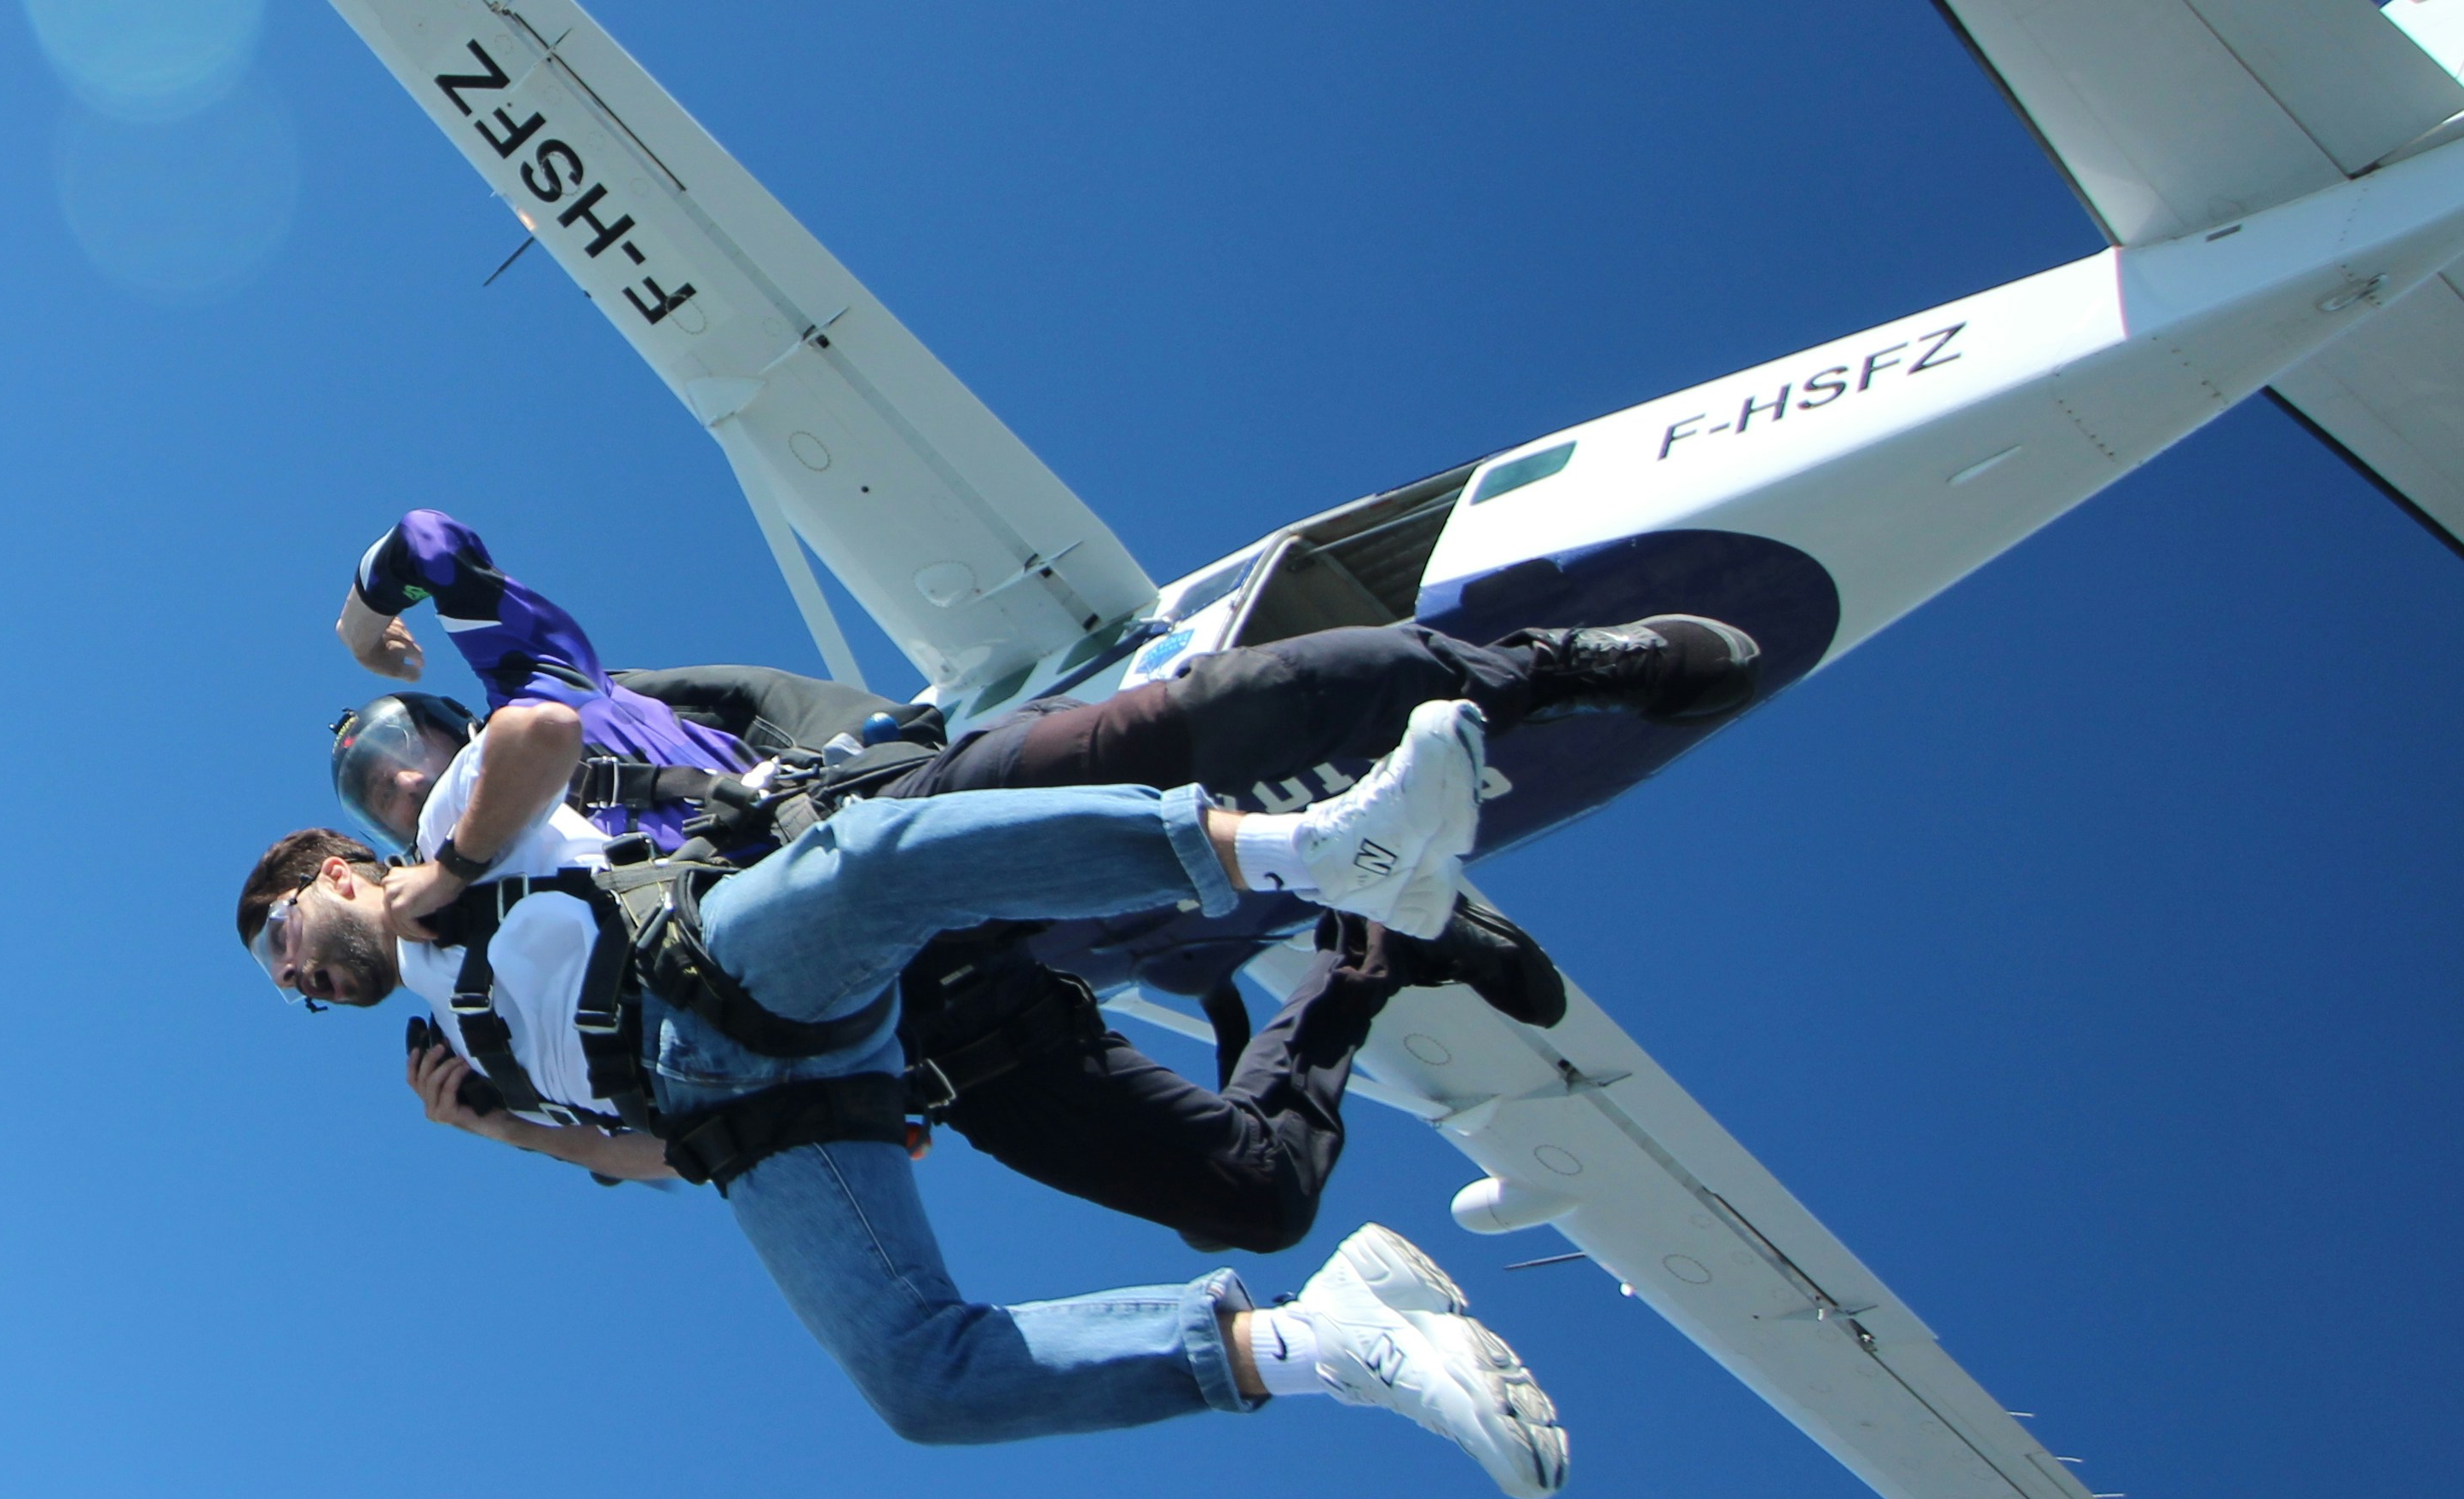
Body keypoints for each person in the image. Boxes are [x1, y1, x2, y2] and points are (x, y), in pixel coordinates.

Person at [236, 708, 1572, 1496]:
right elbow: (658, 1160)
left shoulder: (443, 842)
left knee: (868, 868)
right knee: (917, 1383)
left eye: (281, 938)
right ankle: (1328, 1342)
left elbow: (543, 731)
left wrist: (446, 869)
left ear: (335, 869)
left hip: (719, 961)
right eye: (284, 985)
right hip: (759, 1124)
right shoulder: (474, 1052)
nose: (297, 977)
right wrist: (503, 1128)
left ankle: (1321, 850)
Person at [325, 513, 1743, 1255]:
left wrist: (366, 607)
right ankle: (1373, 952)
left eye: (397, 742)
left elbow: (437, 540)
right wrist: (516, 1133)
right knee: (1248, 1200)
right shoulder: (476, 978)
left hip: (872, 841)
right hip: (913, 1027)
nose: (395, 776)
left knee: (1184, 724)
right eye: (364, 781)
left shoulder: (557, 701)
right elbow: (687, 1149)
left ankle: (1550, 669)